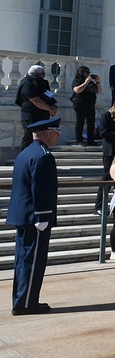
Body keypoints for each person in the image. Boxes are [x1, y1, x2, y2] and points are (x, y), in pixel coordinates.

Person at [7, 117, 61, 315]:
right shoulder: (44, 156)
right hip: (35, 218)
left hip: (22, 215)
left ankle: (22, 299)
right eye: (56, 131)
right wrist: (42, 217)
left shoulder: (26, 153)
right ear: (47, 134)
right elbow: (40, 189)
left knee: (23, 260)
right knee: (33, 262)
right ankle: (26, 304)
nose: (58, 135)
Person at [16, 65, 58, 151]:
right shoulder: (27, 84)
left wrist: (54, 106)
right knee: (29, 139)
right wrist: (49, 109)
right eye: (43, 74)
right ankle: (24, 159)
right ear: (37, 74)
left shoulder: (43, 84)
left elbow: (49, 96)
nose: (44, 76)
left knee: (43, 138)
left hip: (43, 116)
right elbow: (35, 100)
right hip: (31, 116)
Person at [71, 65, 101, 146]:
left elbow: (98, 90)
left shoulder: (91, 82)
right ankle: (79, 139)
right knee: (80, 121)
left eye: (89, 72)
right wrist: (86, 82)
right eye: (87, 72)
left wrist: (97, 81)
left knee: (91, 122)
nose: (88, 74)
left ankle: (91, 140)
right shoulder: (76, 81)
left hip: (90, 104)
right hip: (80, 104)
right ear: (82, 73)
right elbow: (77, 90)